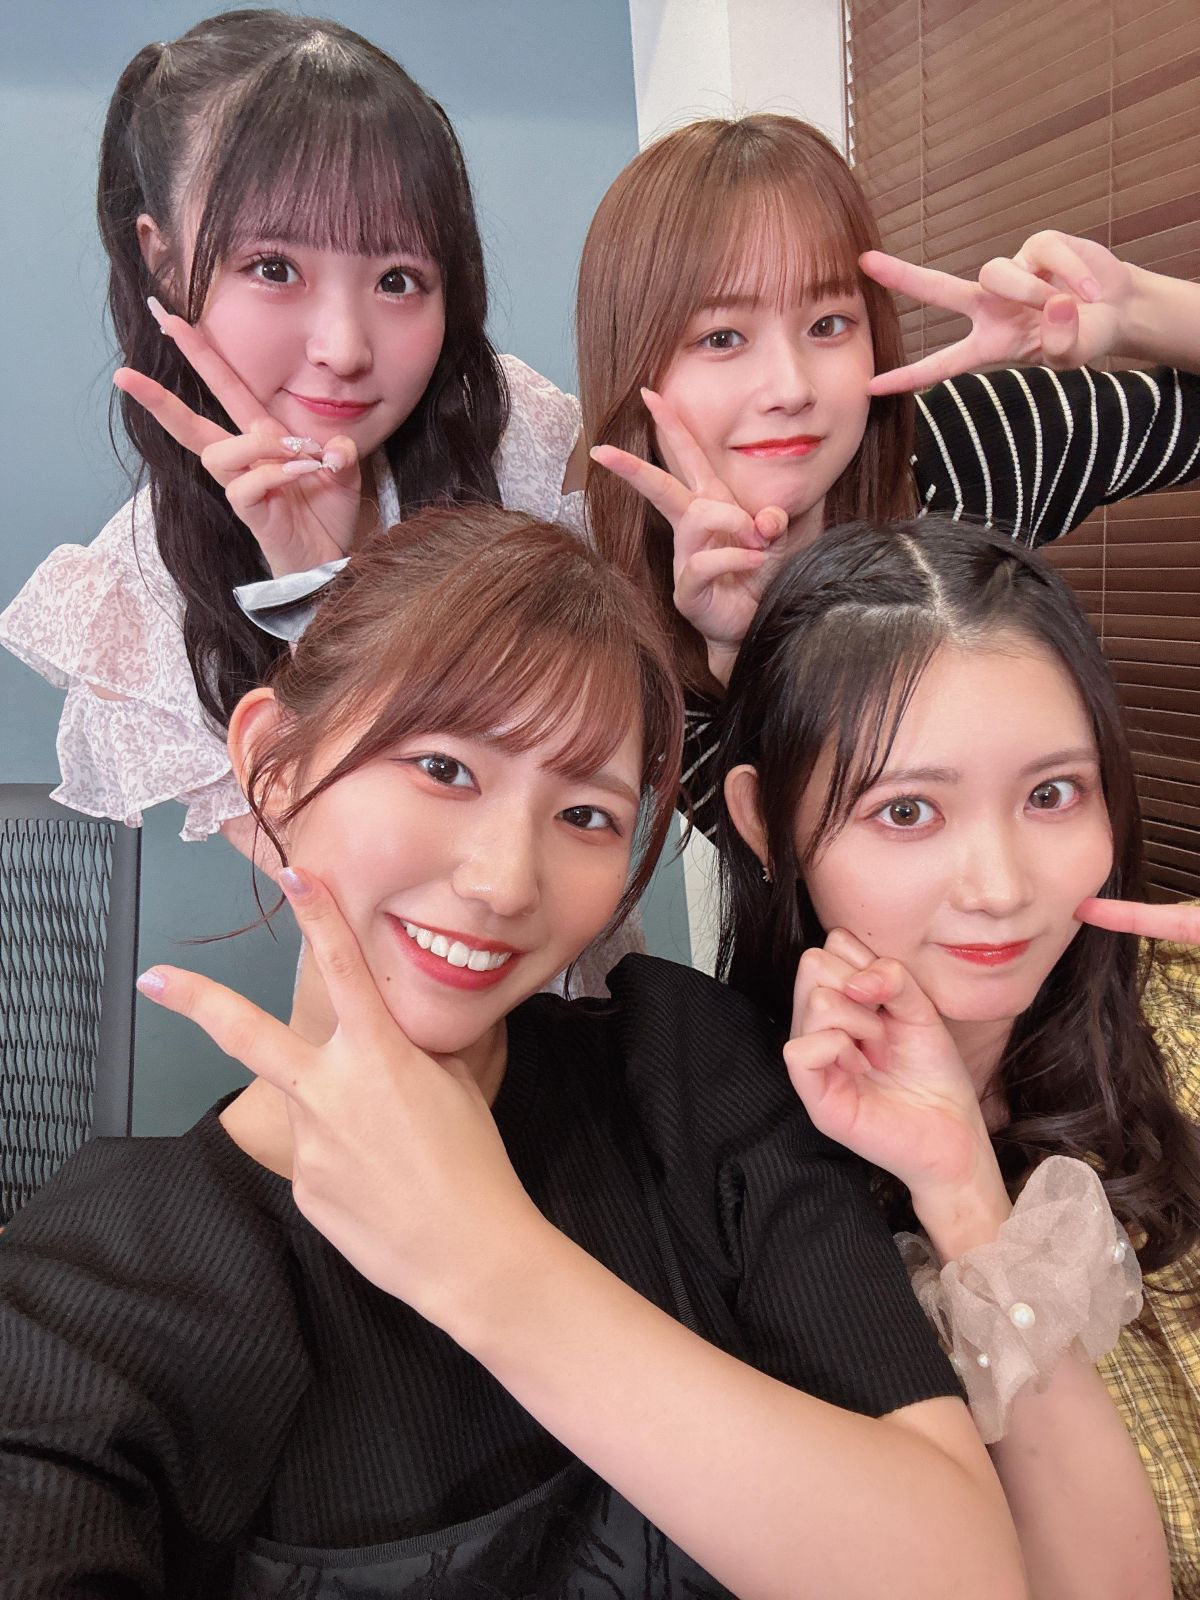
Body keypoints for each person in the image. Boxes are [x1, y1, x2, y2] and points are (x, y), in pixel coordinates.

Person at [0, 508, 1026, 1600]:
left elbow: (965, 1575)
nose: (503, 881)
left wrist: (486, 1260)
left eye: (586, 816)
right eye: (444, 767)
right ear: (273, 764)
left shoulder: (685, 1070)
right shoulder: (106, 1275)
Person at [715, 515, 1200, 1597]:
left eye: (1051, 794)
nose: (1000, 886)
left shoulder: (1182, 1019)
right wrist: (963, 1196)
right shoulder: (738, 1168)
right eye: (907, 810)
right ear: (765, 822)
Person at [0, 9, 586, 859]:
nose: (344, 349)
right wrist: (318, 597)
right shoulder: (142, 602)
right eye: (274, 268)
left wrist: (714, 642)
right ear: (162, 258)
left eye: (398, 279)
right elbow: (348, 889)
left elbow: (629, 763)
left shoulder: (518, 441)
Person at [577, 115, 1200, 834]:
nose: (791, 388)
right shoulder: (638, 654)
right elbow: (797, 883)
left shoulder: (964, 447)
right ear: (633, 363)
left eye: (828, 325)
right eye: (722, 337)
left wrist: (1131, 311)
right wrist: (744, 660)